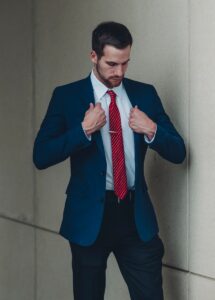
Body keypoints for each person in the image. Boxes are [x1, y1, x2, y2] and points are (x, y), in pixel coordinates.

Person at [33, 21, 186, 300]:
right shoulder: (67, 97)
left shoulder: (145, 94)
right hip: (90, 219)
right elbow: (41, 155)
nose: (119, 72)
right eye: (112, 64)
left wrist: (152, 130)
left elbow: (178, 152)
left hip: (134, 217)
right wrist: (83, 130)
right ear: (94, 56)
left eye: (125, 63)